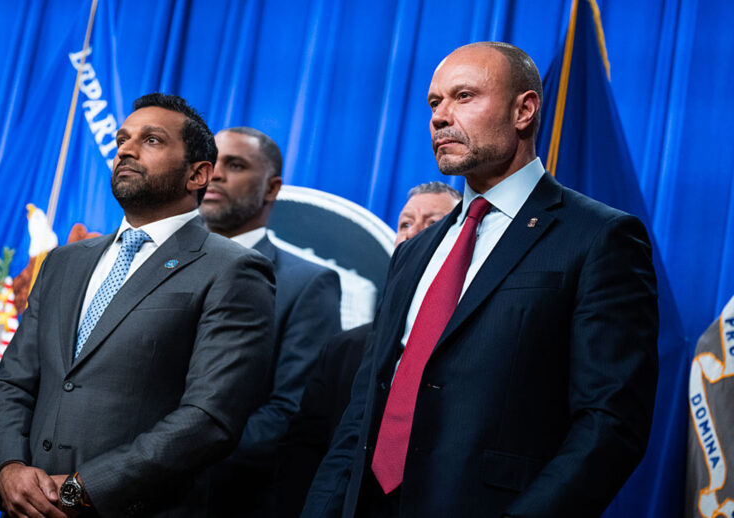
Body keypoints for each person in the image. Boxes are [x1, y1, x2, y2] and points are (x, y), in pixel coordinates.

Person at [302, 42, 659, 518]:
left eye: (464, 96)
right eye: (434, 102)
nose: (439, 117)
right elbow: (363, 411)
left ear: (524, 110)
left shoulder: (599, 236)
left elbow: (610, 423)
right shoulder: (413, 253)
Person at [0, 93, 276, 517]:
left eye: (151, 140)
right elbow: (13, 382)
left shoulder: (234, 269)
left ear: (198, 174)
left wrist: (81, 491)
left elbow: (208, 418)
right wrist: (7, 470)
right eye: (123, 139)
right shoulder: (64, 261)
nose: (126, 150)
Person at [277, 181, 461, 517]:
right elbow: (305, 451)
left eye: (433, 223)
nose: (413, 234)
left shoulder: (475, 340)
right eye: (405, 224)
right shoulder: (345, 348)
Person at [200, 127, 342, 517]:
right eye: (210, 163)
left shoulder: (309, 284)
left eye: (235, 165)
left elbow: (290, 415)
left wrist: (169, 459)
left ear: (272, 188)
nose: (215, 174)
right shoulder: (160, 265)